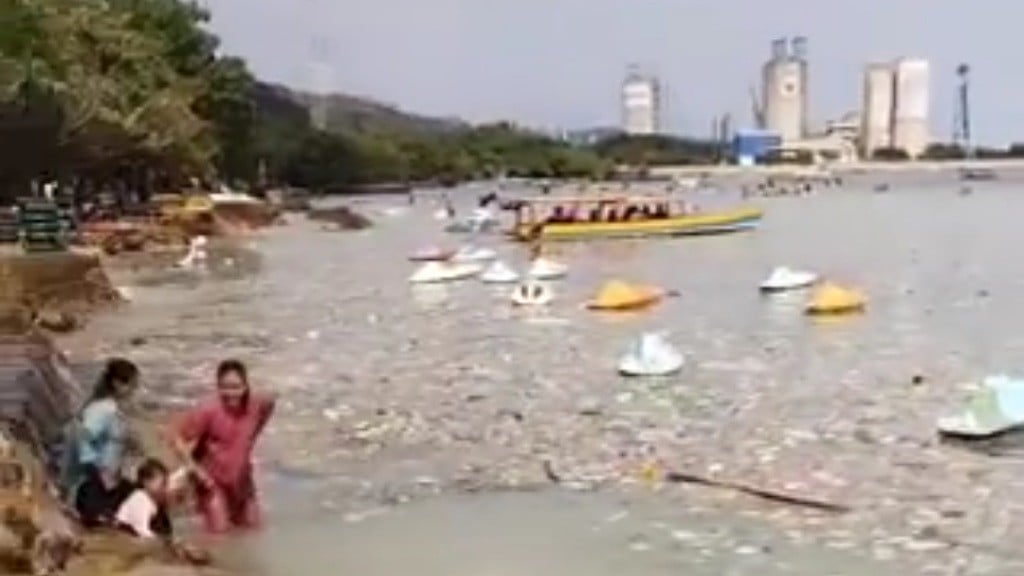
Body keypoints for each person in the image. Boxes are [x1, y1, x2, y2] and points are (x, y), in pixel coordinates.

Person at [175, 360, 275, 534]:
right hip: (213, 484)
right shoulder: (207, 411)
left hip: (243, 482)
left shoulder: (256, 405)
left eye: (236, 387)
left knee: (254, 530)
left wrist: (253, 435)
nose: (231, 393)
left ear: (246, 386)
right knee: (219, 534)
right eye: (225, 387)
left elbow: (270, 403)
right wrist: (195, 471)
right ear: (218, 387)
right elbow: (178, 439)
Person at [66, 358, 140, 527]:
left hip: (110, 482)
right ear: (117, 384)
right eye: (132, 385)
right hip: (96, 484)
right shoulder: (102, 410)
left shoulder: (113, 409)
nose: (134, 390)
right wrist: (97, 471)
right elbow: (82, 438)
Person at [116, 459, 173, 540]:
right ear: (146, 482)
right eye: (162, 483)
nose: (163, 487)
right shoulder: (140, 499)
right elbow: (141, 530)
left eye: (165, 483)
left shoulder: (152, 500)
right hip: (124, 535)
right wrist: (159, 541)